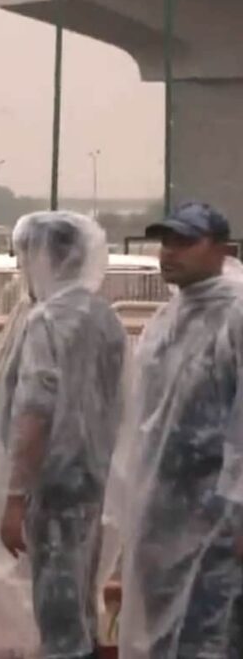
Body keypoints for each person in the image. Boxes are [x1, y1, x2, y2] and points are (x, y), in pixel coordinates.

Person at [0, 211, 126, 659]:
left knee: (57, 612)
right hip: (90, 481)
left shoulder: (46, 322)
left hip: (52, 487)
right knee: (81, 603)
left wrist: (16, 496)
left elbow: (34, 410)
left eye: (26, 257)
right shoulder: (105, 318)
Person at [110, 201, 243, 658]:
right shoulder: (166, 320)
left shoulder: (236, 315)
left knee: (213, 637)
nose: (169, 252)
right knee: (165, 637)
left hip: (217, 522)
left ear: (222, 249)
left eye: (185, 241)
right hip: (162, 515)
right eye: (165, 241)